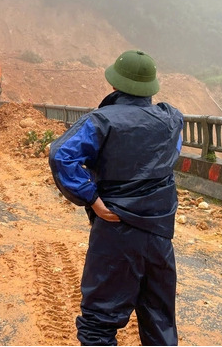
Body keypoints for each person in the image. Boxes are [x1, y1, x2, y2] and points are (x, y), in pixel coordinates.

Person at [49, 50, 184, 346]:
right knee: (159, 318)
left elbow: (62, 155)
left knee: (99, 321)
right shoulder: (172, 119)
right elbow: (173, 154)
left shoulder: (100, 121)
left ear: (114, 85)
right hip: (160, 233)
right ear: (152, 87)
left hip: (115, 231)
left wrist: (91, 198)